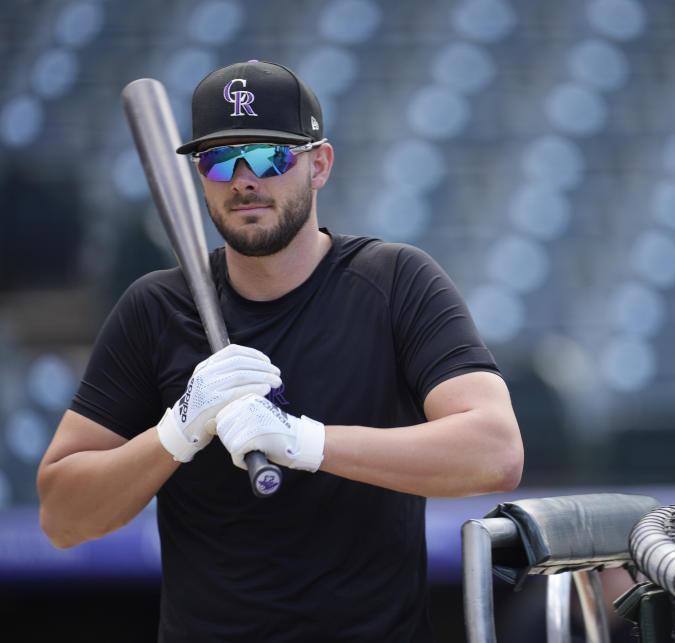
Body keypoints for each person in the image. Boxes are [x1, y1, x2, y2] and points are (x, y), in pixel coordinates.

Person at [36, 60, 524, 642]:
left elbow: (495, 453)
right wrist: (175, 434)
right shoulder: (156, 308)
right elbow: (62, 517)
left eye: (269, 155)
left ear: (319, 165)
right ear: (199, 176)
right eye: (219, 158)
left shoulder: (394, 282)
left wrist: (302, 441)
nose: (244, 179)